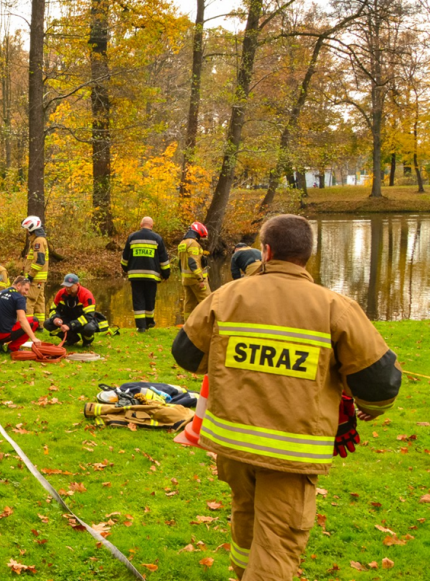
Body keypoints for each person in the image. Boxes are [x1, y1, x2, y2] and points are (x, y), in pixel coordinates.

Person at [171, 214, 401, 581]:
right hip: (290, 450)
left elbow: (187, 355)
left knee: (245, 514)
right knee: (278, 541)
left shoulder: (228, 295)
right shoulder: (334, 308)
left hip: (232, 440)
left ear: (266, 251)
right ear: (308, 255)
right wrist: (369, 407)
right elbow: (380, 384)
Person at [120, 216, 171, 332]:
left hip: (135, 276)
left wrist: (127, 269)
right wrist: (166, 274)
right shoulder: (157, 238)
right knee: (150, 298)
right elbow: (164, 259)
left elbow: (124, 259)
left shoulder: (132, 237)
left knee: (138, 300)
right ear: (151, 226)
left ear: (140, 224)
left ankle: (141, 326)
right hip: (151, 276)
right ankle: (149, 322)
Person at [0, 276, 42, 353]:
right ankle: (13, 348)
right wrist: (33, 338)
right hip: (2, 334)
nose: (26, 293)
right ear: (18, 286)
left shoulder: (0, 293)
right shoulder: (19, 297)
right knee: (34, 321)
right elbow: (22, 320)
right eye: (26, 289)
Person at [44, 273, 99, 347]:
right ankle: (71, 338)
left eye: (70, 286)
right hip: (67, 319)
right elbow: (53, 309)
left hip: (82, 321)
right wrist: (55, 318)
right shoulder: (61, 293)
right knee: (47, 323)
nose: (67, 288)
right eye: (65, 286)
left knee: (89, 328)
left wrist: (70, 325)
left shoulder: (86, 295)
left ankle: (87, 341)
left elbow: (88, 316)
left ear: (77, 284)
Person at [178, 221, 211, 321]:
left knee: (189, 304)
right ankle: (209, 323)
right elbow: (193, 262)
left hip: (186, 280)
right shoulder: (193, 244)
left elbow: (180, 263)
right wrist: (200, 279)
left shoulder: (182, 243)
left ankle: (188, 325)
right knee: (208, 301)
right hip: (196, 280)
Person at [20, 216, 48, 325]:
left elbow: (39, 261)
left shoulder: (38, 241)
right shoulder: (39, 240)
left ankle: (27, 325)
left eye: (27, 229)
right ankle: (40, 325)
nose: (26, 232)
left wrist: (30, 276)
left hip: (35, 278)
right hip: (39, 279)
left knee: (29, 301)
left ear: (31, 229)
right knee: (39, 302)